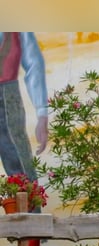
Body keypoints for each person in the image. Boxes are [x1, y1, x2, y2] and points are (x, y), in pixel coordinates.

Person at [0, 32, 48, 197]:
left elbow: (34, 62)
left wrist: (42, 113)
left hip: (6, 96)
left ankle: (31, 219)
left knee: (20, 168)